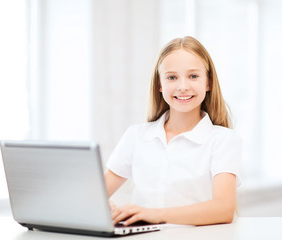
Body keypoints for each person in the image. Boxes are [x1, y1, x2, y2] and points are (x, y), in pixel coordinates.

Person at [104, 36, 242, 226]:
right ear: (160, 85)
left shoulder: (223, 139)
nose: (183, 87)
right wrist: (104, 206)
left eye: (193, 76)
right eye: (172, 77)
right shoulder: (136, 136)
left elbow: (223, 209)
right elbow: (96, 194)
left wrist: (155, 214)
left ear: (208, 82)